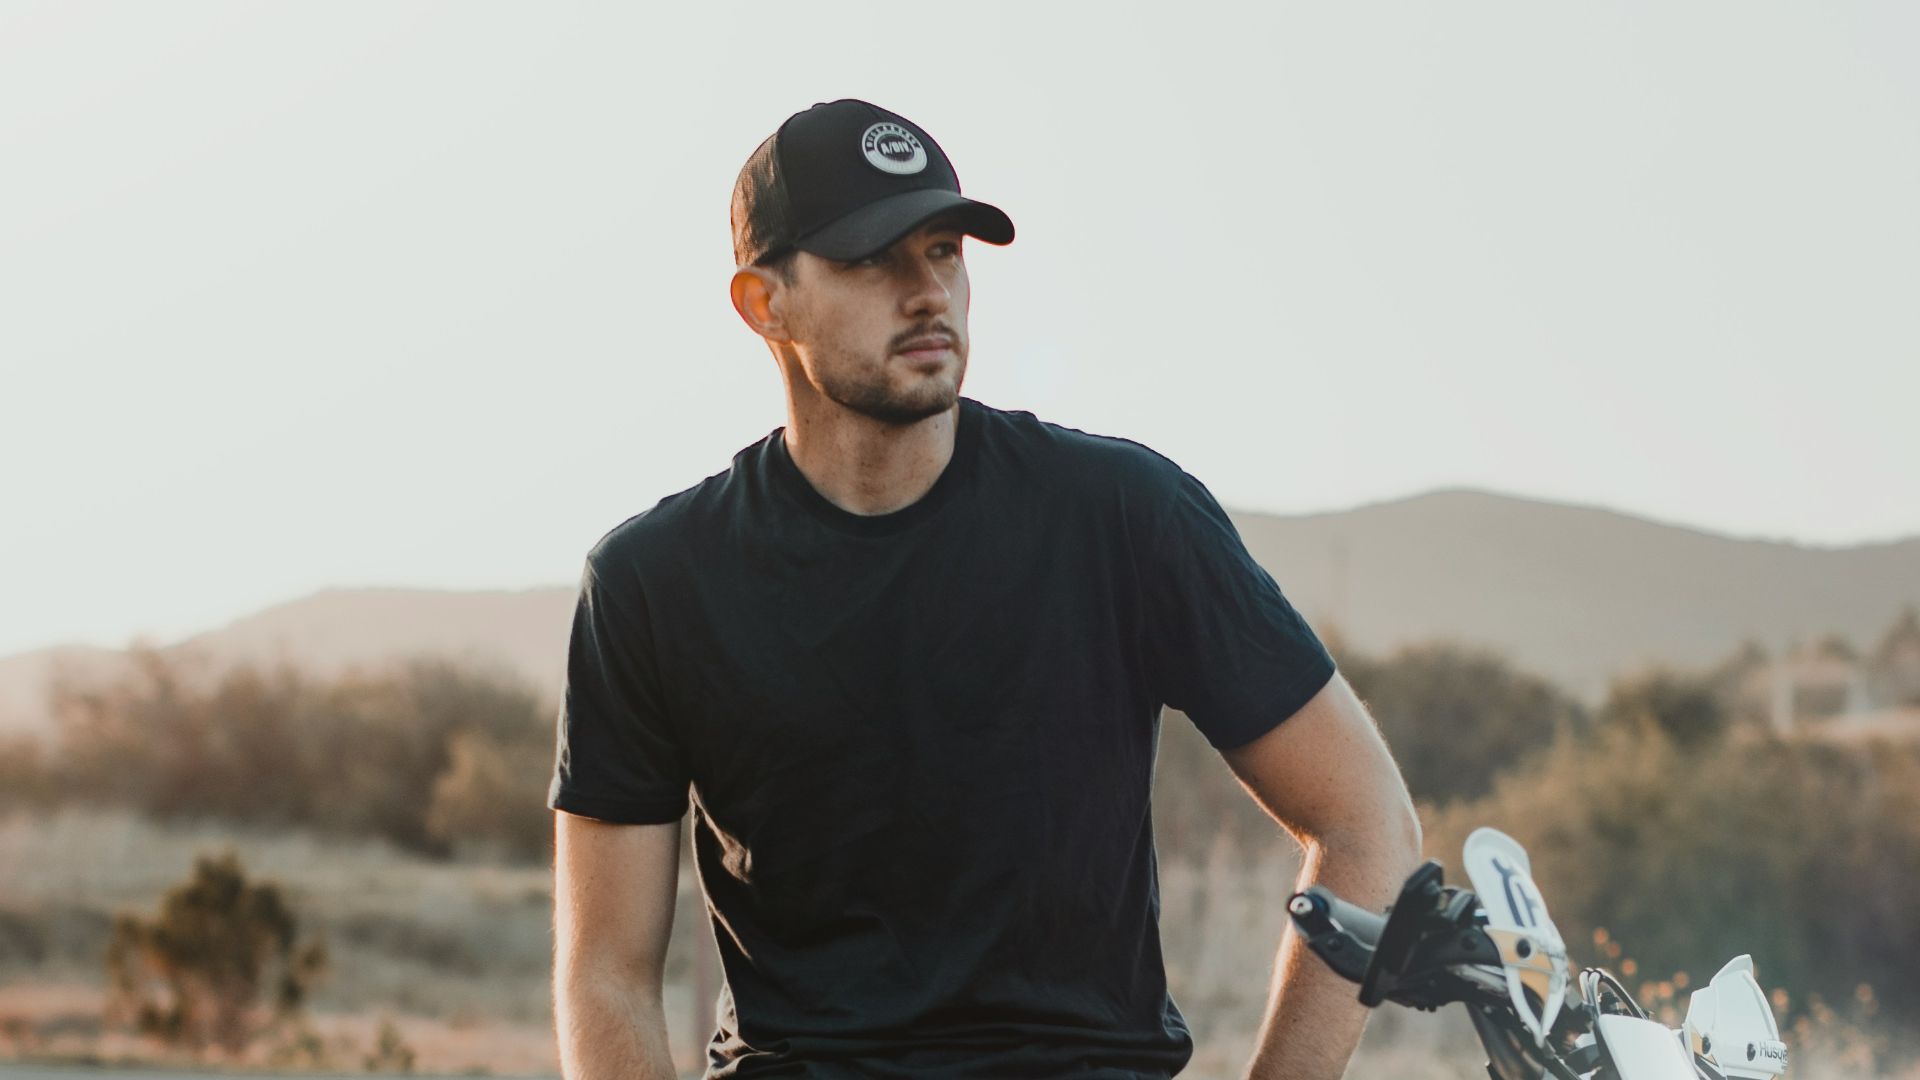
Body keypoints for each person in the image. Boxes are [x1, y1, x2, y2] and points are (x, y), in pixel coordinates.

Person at [549, 99, 1422, 1080]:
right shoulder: (653, 583)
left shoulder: (1125, 517)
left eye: (944, 253)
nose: (928, 293)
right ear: (765, 304)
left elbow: (1367, 824)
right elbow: (606, 974)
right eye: (872, 260)